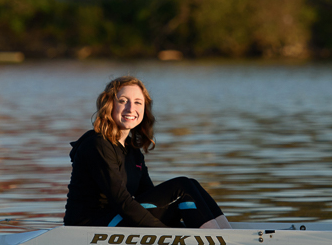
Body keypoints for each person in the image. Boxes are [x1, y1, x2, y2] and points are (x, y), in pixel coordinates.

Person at [64, 76, 231, 229]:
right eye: (123, 101)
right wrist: (164, 234)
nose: (131, 108)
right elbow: (121, 201)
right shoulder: (97, 145)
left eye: (138, 102)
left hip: (118, 219)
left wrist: (174, 224)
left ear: (144, 109)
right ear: (109, 105)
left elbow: (149, 197)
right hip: (90, 228)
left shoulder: (132, 150)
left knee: (190, 185)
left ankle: (227, 235)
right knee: (182, 187)